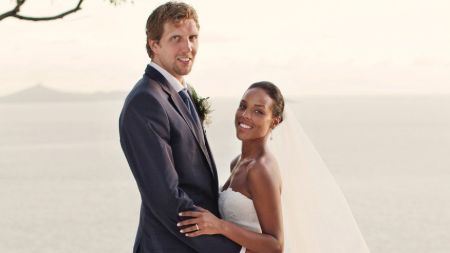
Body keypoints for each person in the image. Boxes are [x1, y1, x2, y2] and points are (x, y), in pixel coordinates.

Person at [178, 82, 372, 253]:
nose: (245, 115)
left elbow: (275, 245)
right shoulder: (237, 162)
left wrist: (220, 226)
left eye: (258, 111)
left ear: (275, 121)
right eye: (243, 106)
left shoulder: (260, 170)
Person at [119, 2, 242, 252]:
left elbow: (196, 182)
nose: (188, 47)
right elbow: (166, 198)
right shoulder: (145, 102)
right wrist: (232, 250)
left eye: (192, 37)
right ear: (154, 45)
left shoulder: (184, 92)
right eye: (176, 38)